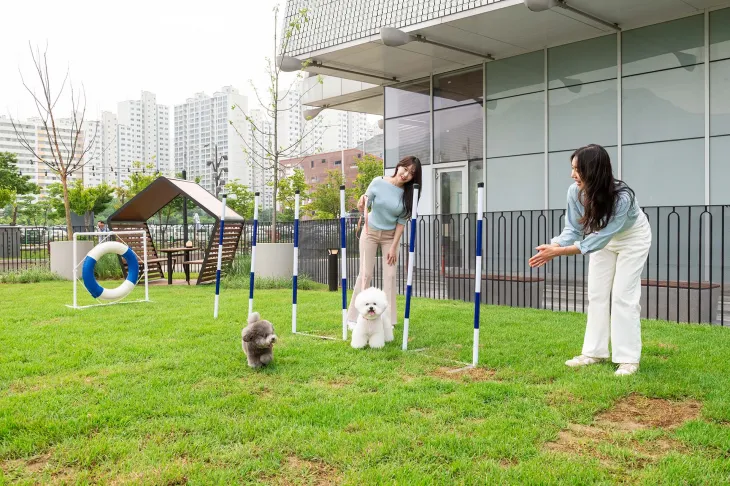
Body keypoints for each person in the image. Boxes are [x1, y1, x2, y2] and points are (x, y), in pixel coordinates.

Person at [528, 144, 652, 376]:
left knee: (624, 296)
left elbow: (600, 239)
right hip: (601, 238)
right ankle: (594, 352)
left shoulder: (623, 197)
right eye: (572, 168)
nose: (572, 174)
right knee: (597, 294)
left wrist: (558, 253)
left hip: (631, 239)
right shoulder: (574, 192)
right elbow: (573, 230)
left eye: (578, 169)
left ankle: (627, 359)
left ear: (594, 170)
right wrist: (554, 245)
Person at [347, 155, 423, 329]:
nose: (406, 174)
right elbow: (365, 205)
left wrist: (394, 247)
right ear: (399, 166)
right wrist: (361, 202)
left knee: (390, 276)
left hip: (390, 237)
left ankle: (388, 320)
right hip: (370, 232)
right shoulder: (378, 182)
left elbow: (401, 223)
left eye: (411, 173)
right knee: (365, 275)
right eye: (405, 169)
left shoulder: (409, 195)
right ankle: (353, 318)